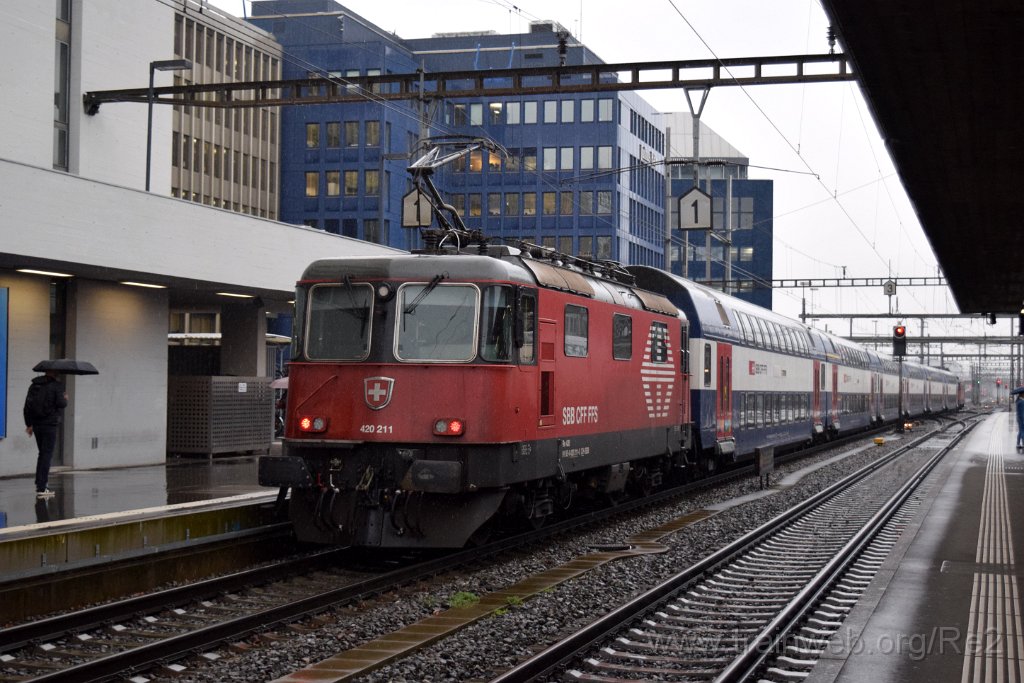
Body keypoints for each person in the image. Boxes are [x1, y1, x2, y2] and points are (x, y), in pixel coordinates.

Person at [23, 370, 68, 498]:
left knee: (42, 454)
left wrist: (29, 425)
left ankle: (40, 483)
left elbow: (27, 406)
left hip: (37, 425)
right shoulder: (57, 386)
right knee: (46, 454)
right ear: (55, 374)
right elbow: (61, 404)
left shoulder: (34, 385)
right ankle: (42, 487)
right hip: (49, 425)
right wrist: (65, 398)